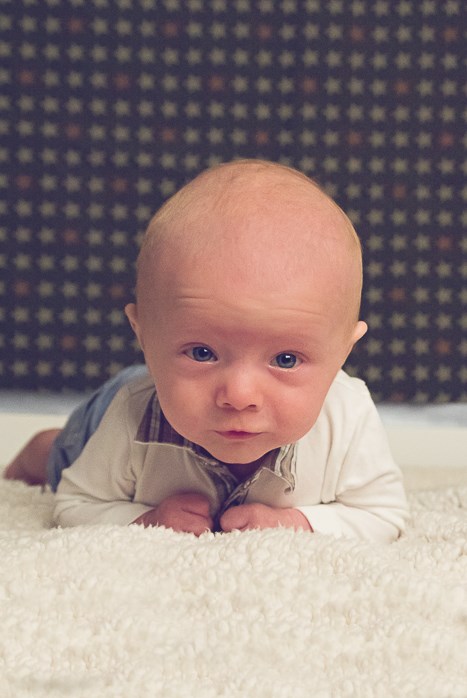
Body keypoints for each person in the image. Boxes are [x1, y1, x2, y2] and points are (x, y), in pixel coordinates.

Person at [4, 159, 408, 541]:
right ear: (143, 336)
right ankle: (43, 447)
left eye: (285, 360)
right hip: (122, 403)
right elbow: (76, 504)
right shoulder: (130, 413)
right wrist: (147, 518)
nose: (239, 395)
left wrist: (294, 522)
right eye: (201, 352)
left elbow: (383, 515)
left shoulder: (348, 416)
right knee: (61, 456)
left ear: (343, 353)